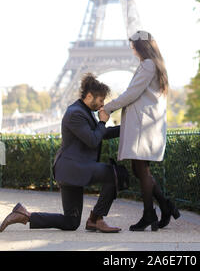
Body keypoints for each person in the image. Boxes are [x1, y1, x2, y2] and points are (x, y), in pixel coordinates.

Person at [0, 74, 129, 234]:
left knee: (71, 222)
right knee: (116, 174)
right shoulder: (75, 113)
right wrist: (102, 121)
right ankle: (96, 219)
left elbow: (101, 133)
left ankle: (24, 215)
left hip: (71, 169)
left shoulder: (84, 111)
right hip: (73, 168)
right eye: (101, 100)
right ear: (89, 96)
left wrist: (127, 128)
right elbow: (93, 140)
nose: (103, 104)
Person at [101, 30, 180, 231]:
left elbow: (132, 93)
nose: (131, 49)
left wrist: (108, 107)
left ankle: (149, 214)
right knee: (140, 169)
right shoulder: (156, 65)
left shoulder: (147, 65)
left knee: (141, 170)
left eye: (133, 45)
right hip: (148, 124)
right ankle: (163, 205)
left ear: (140, 46)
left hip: (142, 126)